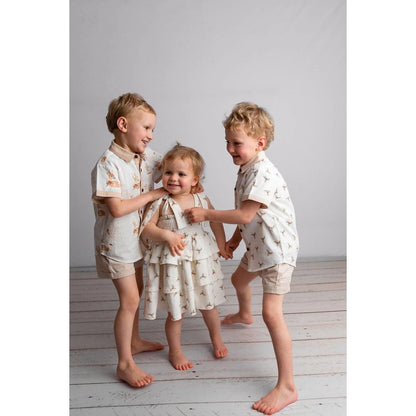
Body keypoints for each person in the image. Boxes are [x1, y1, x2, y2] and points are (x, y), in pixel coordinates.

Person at [185, 102, 299, 414]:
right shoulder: (247, 168)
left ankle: (287, 386)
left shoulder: (262, 172)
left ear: (259, 143)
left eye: (236, 143)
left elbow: (245, 214)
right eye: (227, 142)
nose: (230, 149)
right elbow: (249, 213)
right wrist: (236, 240)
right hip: (259, 246)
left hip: (277, 251)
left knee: (272, 314)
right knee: (238, 280)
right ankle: (245, 314)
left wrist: (206, 214)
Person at [91, 93, 168, 388]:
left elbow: (172, 165)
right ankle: (124, 363)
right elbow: (117, 208)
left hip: (137, 242)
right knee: (130, 299)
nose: (150, 135)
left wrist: (188, 175)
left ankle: (134, 342)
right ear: (123, 125)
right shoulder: (108, 164)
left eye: (152, 129)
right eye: (146, 128)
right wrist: (153, 194)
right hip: (116, 245)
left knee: (138, 290)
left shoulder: (146, 156)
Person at [140, 143, 230, 370]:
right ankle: (175, 351)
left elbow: (215, 220)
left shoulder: (201, 199)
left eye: (181, 174)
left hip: (199, 261)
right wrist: (166, 235)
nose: (173, 178)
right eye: (168, 172)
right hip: (174, 262)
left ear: (194, 180)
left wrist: (221, 245)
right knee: (175, 311)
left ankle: (217, 339)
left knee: (208, 304)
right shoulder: (160, 202)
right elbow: (146, 228)